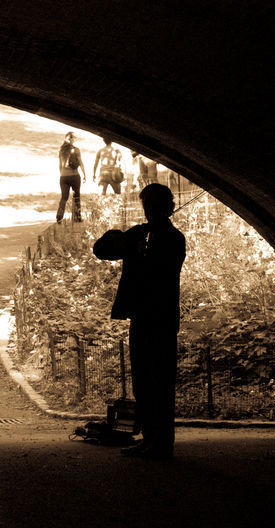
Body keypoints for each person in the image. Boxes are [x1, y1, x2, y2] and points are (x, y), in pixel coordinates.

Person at [92, 183, 186, 459]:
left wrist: (137, 246)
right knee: (143, 384)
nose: (150, 211)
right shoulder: (139, 234)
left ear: (167, 207)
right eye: (147, 206)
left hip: (162, 319)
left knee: (161, 383)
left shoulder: (173, 238)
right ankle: (150, 439)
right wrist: (122, 238)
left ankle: (162, 444)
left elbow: (160, 272)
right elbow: (100, 250)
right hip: (141, 318)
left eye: (155, 205)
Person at [56, 131, 86, 223]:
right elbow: (80, 163)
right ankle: (77, 218)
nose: (75, 139)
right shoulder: (76, 150)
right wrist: (85, 174)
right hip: (75, 176)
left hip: (63, 177)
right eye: (74, 138)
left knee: (64, 197)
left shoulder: (61, 150)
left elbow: (60, 165)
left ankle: (59, 217)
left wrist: (62, 174)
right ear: (71, 139)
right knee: (76, 196)